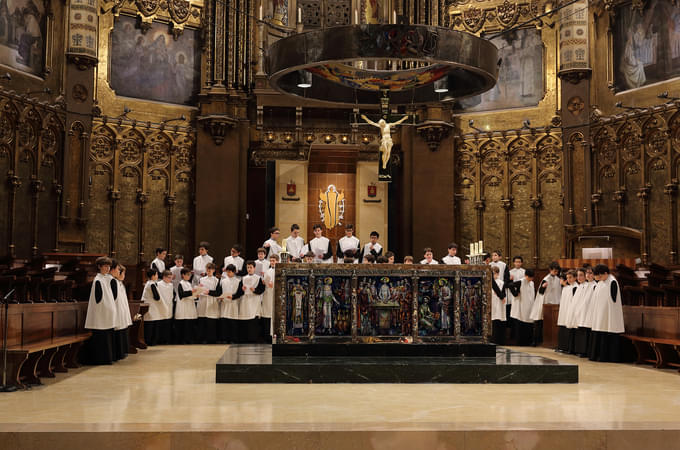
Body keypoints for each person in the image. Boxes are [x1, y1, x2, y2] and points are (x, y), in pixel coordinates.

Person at [84, 256, 118, 365]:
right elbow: (98, 299)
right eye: (105, 266)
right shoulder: (98, 280)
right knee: (100, 335)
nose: (107, 268)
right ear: (99, 267)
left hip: (109, 311)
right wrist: (106, 307)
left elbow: (114, 295)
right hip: (101, 312)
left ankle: (109, 357)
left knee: (108, 334)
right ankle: (100, 359)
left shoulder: (109, 279)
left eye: (108, 266)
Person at [588, 264, 625, 362]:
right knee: (599, 330)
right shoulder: (601, 282)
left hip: (609, 314)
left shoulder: (612, 282)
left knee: (607, 331)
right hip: (600, 314)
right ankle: (597, 355)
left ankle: (608, 357)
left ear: (605, 273)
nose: (599, 279)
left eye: (600, 276)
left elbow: (614, 300)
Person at [529, 261, 561, 345]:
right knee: (539, 323)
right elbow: (540, 292)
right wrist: (543, 287)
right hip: (545, 304)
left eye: (557, 271)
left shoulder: (558, 279)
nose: (555, 272)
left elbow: (558, 292)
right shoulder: (546, 279)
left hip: (554, 304)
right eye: (554, 270)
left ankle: (551, 341)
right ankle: (537, 341)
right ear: (550, 270)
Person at [507, 269, 535, 346]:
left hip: (529, 306)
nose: (531, 279)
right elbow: (510, 285)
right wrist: (515, 294)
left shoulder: (532, 283)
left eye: (532, 278)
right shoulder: (521, 281)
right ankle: (520, 342)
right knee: (521, 324)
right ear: (526, 276)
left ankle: (528, 341)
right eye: (529, 277)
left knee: (529, 324)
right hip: (522, 306)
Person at [240, 261, 266, 342]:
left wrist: (255, 290)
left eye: (251, 267)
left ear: (254, 268)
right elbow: (239, 291)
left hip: (254, 301)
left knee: (254, 321)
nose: (249, 269)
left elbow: (262, 290)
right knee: (245, 320)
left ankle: (253, 338)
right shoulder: (243, 278)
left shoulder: (258, 278)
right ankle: (245, 338)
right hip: (245, 301)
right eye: (248, 267)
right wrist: (242, 289)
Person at [573, 266, 596, 356]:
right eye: (587, 273)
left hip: (590, 311)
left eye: (590, 273)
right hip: (582, 311)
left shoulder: (595, 285)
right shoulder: (584, 285)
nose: (588, 275)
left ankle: (586, 351)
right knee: (582, 330)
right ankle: (581, 350)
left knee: (587, 331)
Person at [197, 262, 221, 344]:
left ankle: (211, 339)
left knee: (211, 322)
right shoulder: (201, 279)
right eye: (207, 269)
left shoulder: (217, 280)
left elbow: (218, 292)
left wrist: (209, 292)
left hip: (212, 301)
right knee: (202, 321)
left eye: (210, 269)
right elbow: (198, 289)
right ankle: (201, 339)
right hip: (203, 301)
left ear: (214, 270)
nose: (209, 271)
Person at [218, 264, 243, 343]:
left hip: (234, 303)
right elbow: (220, 291)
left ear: (234, 272)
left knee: (233, 322)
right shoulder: (223, 281)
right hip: (225, 303)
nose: (228, 273)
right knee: (224, 321)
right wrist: (221, 297)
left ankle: (233, 339)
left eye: (230, 272)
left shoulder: (238, 281)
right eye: (227, 272)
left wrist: (232, 297)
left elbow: (240, 293)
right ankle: (225, 338)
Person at [565, 268, 588, 354]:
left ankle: (581, 351)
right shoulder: (580, 286)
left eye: (581, 275)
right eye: (578, 275)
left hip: (582, 313)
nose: (579, 277)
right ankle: (573, 349)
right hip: (575, 312)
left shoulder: (586, 286)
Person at [113, 263, 132, 360]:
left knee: (123, 329)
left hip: (122, 310)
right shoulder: (115, 283)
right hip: (117, 311)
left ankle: (124, 350)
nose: (124, 275)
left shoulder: (121, 284)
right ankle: (119, 352)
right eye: (123, 273)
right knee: (119, 330)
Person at [555, 270, 577, 352]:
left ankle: (568, 348)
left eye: (570, 277)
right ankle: (562, 347)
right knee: (563, 328)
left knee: (569, 329)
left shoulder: (576, 287)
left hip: (570, 311)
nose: (569, 279)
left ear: (575, 278)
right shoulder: (566, 288)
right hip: (564, 311)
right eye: (567, 278)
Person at [142, 268, 165, 346]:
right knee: (150, 325)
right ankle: (150, 341)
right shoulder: (151, 284)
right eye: (156, 274)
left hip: (152, 307)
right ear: (153, 276)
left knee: (152, 324)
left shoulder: (150, 283)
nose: (157, 276)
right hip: (151, 307)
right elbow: (157, 297)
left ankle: (151, 341)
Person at [175, 268, 198, 344]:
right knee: (184, 325)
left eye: (190, 275)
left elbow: (190, 294)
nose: (189, 276)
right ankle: (183, 340)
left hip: (189, 306)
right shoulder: (180, 283)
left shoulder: (188, 283)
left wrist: (196, 295)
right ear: (183, 275)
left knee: (189, 324)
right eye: (187, 275)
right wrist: (191, 292)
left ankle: (189, 339)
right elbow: (182, 294)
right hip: (183, 307)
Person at [507, 256, 525, 340]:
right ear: (514, 263)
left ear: (521, 263)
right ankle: (512, 335)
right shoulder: (510, 272)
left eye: (519, 262)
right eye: (516, 262)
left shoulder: (524, 272)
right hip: (513, 294)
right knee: (513, 314)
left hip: (522, 294)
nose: (517, 263)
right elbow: (508, 284)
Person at [261, 254, 278, 342]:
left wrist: (273, 285)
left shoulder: (279, 271)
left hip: (276, 294)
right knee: (268, 315)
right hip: (268, 294)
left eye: (273, 261)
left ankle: (275, 335)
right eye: (271, 261)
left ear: (277, 261)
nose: (272, 262)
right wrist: (265, 282)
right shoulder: (267, 271)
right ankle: (268, 337)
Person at [156, 270, 176, 345]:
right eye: (169, 278)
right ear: (164, 277)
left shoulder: (171, 285)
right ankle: (160, 340)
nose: (170, 279)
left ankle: (167, 339)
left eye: (171, 278)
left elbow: (172, 295)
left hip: (169, 305)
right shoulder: (158, 284)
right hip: (161, 306)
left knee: (168, 324)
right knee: (161, 324)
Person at [490, 265, 507, 345]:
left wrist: (502, 296)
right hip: (492, 303)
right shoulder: (489, 281)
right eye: (492, 274)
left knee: (499, 320)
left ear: (498, 274)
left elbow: (503, 293)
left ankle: (500, 341)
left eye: (495, 274)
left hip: (499, 303)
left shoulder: (501, 283)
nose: (494, 276)